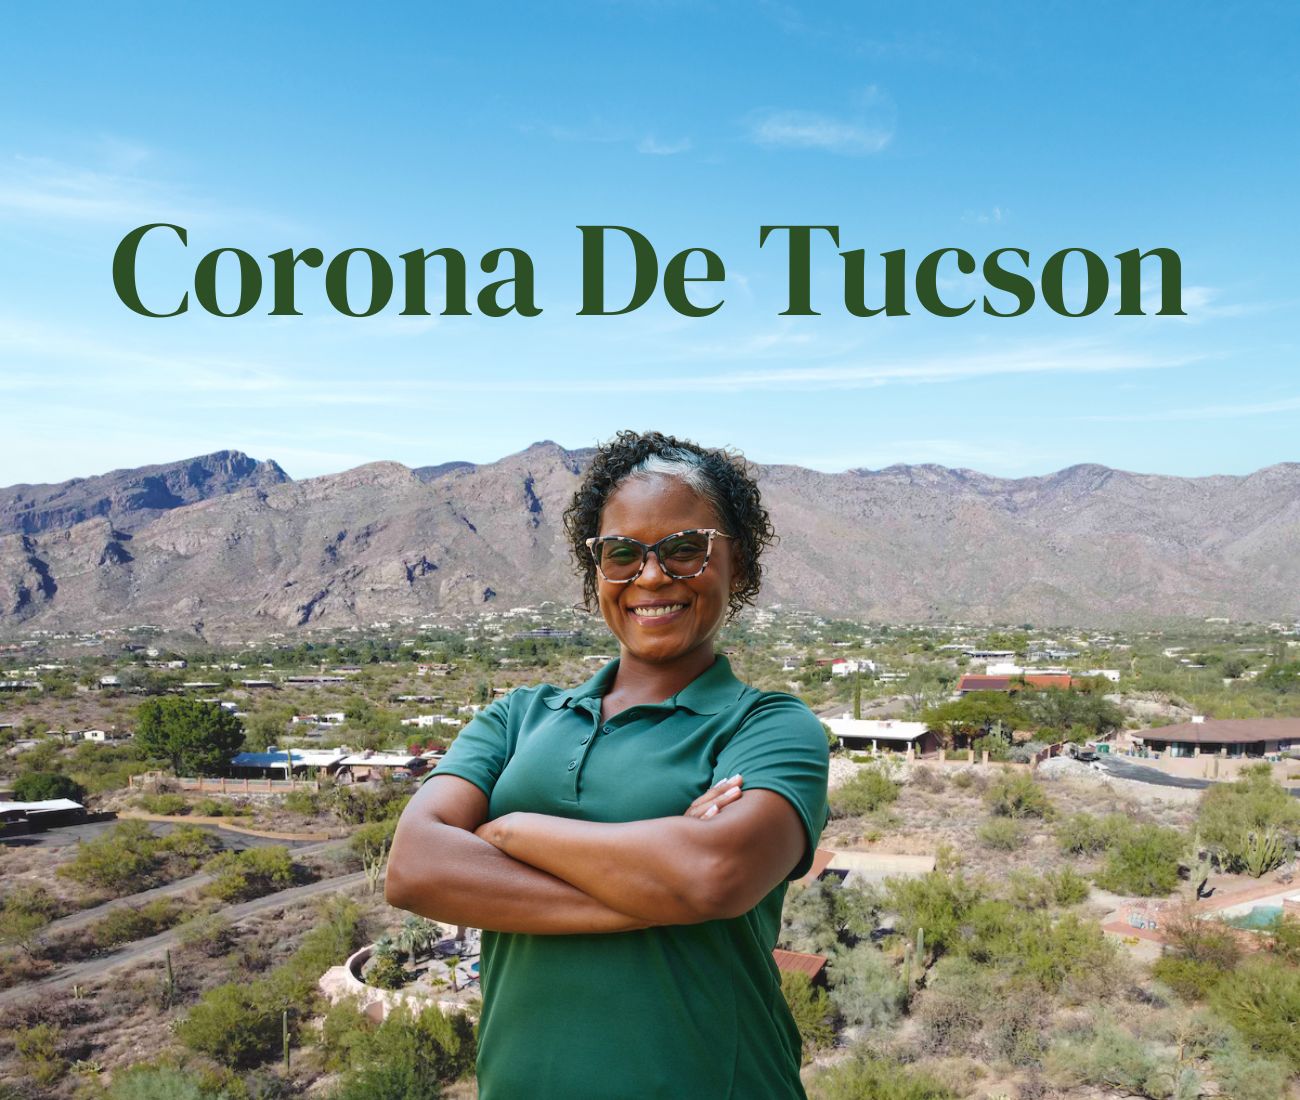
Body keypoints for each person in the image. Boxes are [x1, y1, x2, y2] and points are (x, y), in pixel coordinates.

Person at [386, 430, 831, 1099]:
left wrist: (507, 833)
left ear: (737, 564)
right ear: (597, 572)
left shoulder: (767, 726)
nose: (652, 576)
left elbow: (712, 874)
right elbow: (415, 868)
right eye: (622, 553)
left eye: (686, 549)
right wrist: (653, 888)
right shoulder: (518, 717)